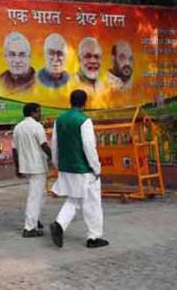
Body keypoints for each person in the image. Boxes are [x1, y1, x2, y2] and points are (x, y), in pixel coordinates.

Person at [49, 90, 109, 249]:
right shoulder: (84, 121)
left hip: (66, 167)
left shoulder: (59, 120)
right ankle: (94, 237)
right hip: (84, 170)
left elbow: (54, 144)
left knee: (75, 199)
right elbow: (89, 146)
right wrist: (96, 168)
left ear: (70, 101)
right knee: (93, 202)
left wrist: (57, 164)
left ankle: (59, 224)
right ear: (85, 103)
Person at [12, 103, 51, 238]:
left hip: (26, 166)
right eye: (39, 112)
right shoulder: (37, 126)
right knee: (35, 196)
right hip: (37, 166)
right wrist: (53, 157)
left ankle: (35, 219)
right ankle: (29, 228)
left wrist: (17, 167)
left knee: (42, 194)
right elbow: (44, 144)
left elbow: (14, 150)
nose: (40, 114)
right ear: (33, 113)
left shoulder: (18, 127)